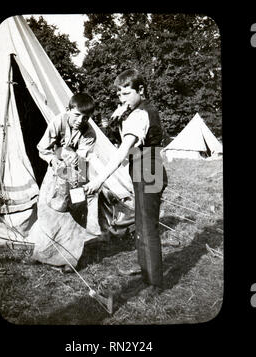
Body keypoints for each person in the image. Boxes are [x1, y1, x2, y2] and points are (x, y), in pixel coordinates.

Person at [84, 69, 168, 297]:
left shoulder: (140, 115)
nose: (122, 99)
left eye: (127, 93)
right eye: (119, 95)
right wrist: (122, 111)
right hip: (145, 168)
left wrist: (99, 180)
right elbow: (130, 147)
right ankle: (146, 270)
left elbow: (122, 152)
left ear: (141, 90)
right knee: (141, 224)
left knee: (147, 228)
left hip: (149, 171)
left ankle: (154, 283)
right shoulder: (138, 110)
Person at [28, 93, 102, 272]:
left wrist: (73, 169)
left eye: (86, 117)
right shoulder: (58, 122)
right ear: (68, 110)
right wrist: (55, 160)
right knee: (48, 211)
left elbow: (81, 159)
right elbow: (42, 148)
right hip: (56, 169)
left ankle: (69, 258)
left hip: (77, 171)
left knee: (75, 213)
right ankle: (42, 253)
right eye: (77, 115)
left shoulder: (89, 133)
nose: (80, 120)